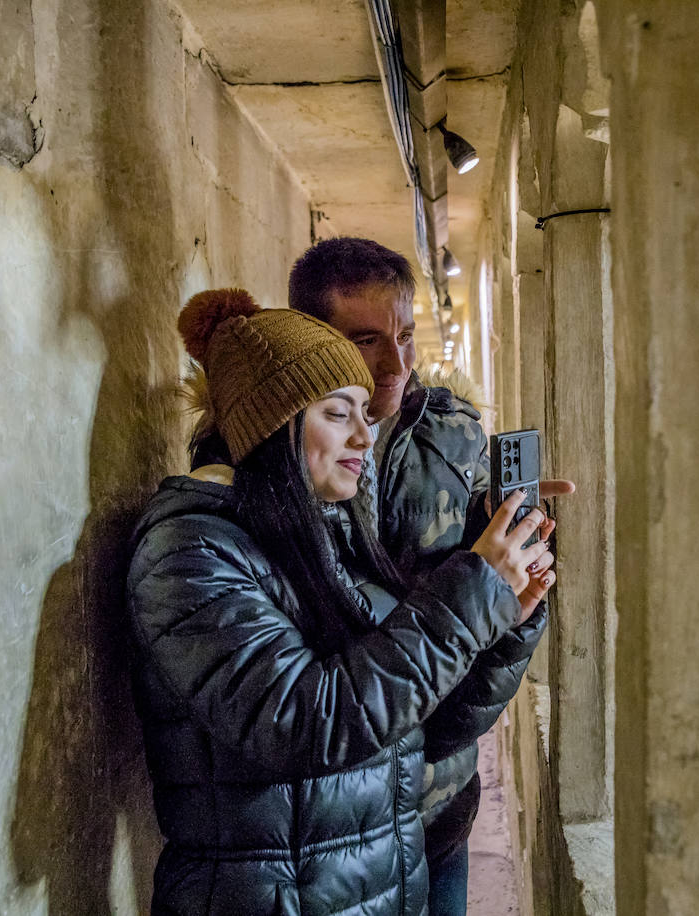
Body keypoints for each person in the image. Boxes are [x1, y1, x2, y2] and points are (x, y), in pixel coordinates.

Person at [127, 288, 557, 915]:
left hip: (372, 888)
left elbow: (425, 731)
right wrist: (469, 600)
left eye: (364, 413)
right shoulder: (187, 553)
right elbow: (306, 721)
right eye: (337, 413)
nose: (364, 435)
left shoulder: (329, 534)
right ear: (271, 425)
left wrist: (507, 617)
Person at [285, 238, 574, 914]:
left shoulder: (456, 435)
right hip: (335, 821)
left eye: (406, 335)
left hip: (441, 798)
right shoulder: (280, 464)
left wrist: (516, 596)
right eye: (365, 341)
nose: (396, 363)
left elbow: (481, 637)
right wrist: (478, 584)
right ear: (309, 341)